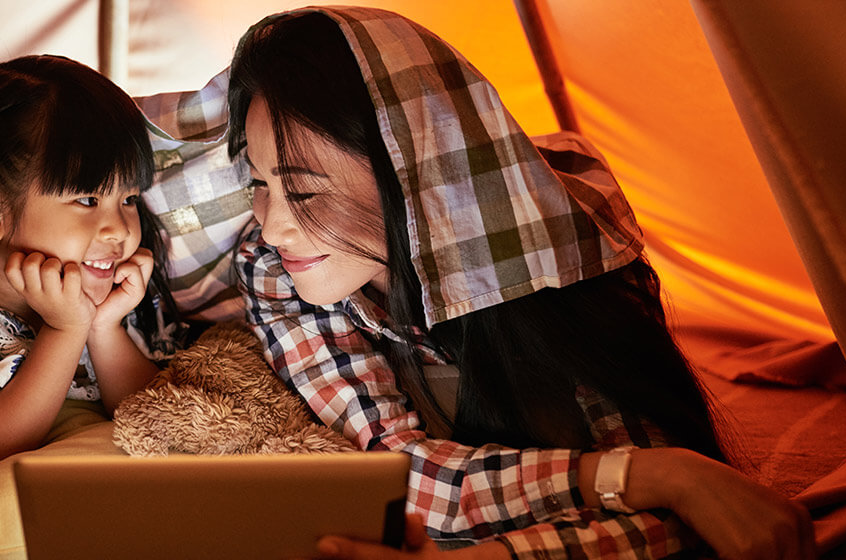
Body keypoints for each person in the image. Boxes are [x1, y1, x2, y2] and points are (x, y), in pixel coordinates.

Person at [226, 7, 813, 560]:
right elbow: (398, 471)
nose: (273, 224)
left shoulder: (560, 248)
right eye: (258, 185)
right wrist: (651, 476)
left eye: (303, 191)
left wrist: (672, 478)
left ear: (414, 172)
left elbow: (698, 514)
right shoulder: (273, 268)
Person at [0, 55, 182, 466]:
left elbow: (159, 415)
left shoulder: (113, 276)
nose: (119, 230)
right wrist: (66, 329)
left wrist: (103, 327)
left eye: (129, 199)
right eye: (86, 199)